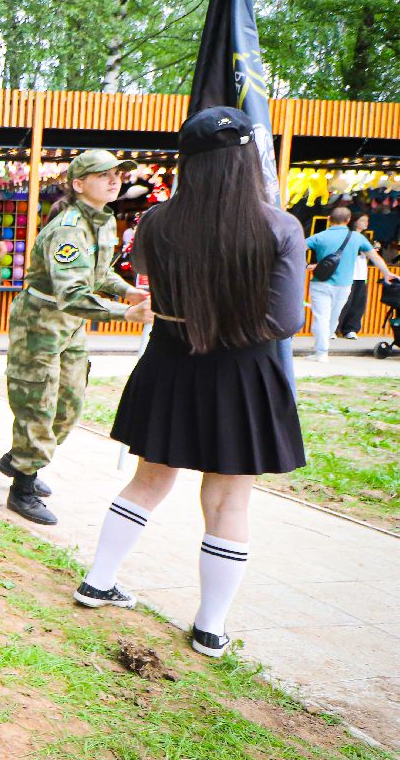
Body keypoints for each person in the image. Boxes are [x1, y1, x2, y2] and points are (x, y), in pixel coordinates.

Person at [75, 107, 307, 659]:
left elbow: (153, 288)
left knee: (149, 480)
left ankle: (97, 582)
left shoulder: (157, 222)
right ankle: (209, 627)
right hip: (244, 373)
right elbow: (286, 321)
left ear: (188, 161)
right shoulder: (280, 226)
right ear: (250, 157)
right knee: (228, 500)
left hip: (171, 363)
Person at [0, 151, 153, 525]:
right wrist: (124, 313)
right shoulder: (68, 227)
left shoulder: (101, 222)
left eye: (117, 174)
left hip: (71, 325)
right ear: (79, 183)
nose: (114, 180)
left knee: (69, 404)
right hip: (41, 323)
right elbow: (72, 293)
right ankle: (22, 485)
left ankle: (20, 460)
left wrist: (127, 291)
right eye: (103, 175)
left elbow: (97, 274)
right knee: (38, 401)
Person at [306, 205, 396, 361]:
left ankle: (321, 352)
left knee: (321, 317)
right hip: (345, 285)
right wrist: (387, 273)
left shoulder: (319, 236)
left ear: (329, 219)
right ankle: (322, 347)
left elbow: (294, 248)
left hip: (320, 283)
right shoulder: (357, 237)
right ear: (348, 220)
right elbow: (375, 257)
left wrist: (304, 266)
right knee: (333, 318)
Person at [336, 212, 385, 339]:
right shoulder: (348, 235)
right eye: (363, 220)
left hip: (361, 273)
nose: (366, 223)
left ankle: (351, 329)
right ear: (354, 221)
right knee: (344, 302)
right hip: (348, 273)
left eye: (366, 220)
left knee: (358, 303)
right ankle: (335, 327)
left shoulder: (365, 237)